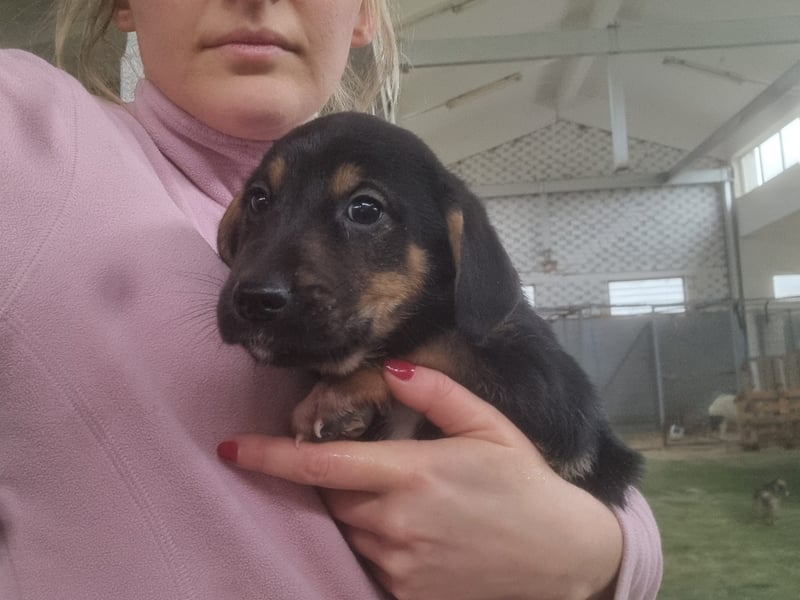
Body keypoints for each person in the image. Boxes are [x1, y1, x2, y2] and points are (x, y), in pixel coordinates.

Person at [0, 0, 662, 598]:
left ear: (364, 13)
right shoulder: (30, 131)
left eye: (364, 211)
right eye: (262, 203)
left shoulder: (427, 222)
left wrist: (598, 556)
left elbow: (596, 466)